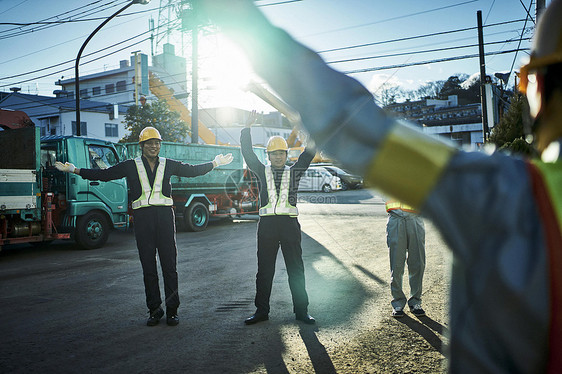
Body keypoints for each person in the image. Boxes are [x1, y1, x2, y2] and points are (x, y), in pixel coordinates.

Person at [201, 1, 562, 372]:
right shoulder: (504, 189)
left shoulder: (506, 192)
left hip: (297, 224)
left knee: (302, 272)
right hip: (279, 225)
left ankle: (305, 310)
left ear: (536, 88)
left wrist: (241, 20)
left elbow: (354, 125)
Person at [55, 127, 233, 326]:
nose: (154, 146)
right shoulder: (130, 166)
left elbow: (192, 171)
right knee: (148, 266)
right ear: (142, 146)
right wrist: (75, 170)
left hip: (165, 218)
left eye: (157, 143)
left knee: (169, 266)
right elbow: (105, 174)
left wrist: (215, 163)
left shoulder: (168, 164)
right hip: (143, 219)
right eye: (149, 143)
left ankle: (172, 311)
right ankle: (155, 310)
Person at [240, 113, 316, 325]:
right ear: (268, 156)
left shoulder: (295, 172)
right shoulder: (261, 171)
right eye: (274, 154)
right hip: (267, 228)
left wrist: (310, 131)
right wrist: (246, 128)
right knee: (264, 271)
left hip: (289, 226)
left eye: (281, 153)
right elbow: (247, 153)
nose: (278, 157)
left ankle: (302, 311)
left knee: (296, 269)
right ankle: (261, 312)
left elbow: (308, 154)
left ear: (286, 154)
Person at [385, 200, 426, 318]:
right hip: (395, 218)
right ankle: (397, 302)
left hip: (415, 218)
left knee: (418, 263)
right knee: (396, 264)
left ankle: (415, 302)